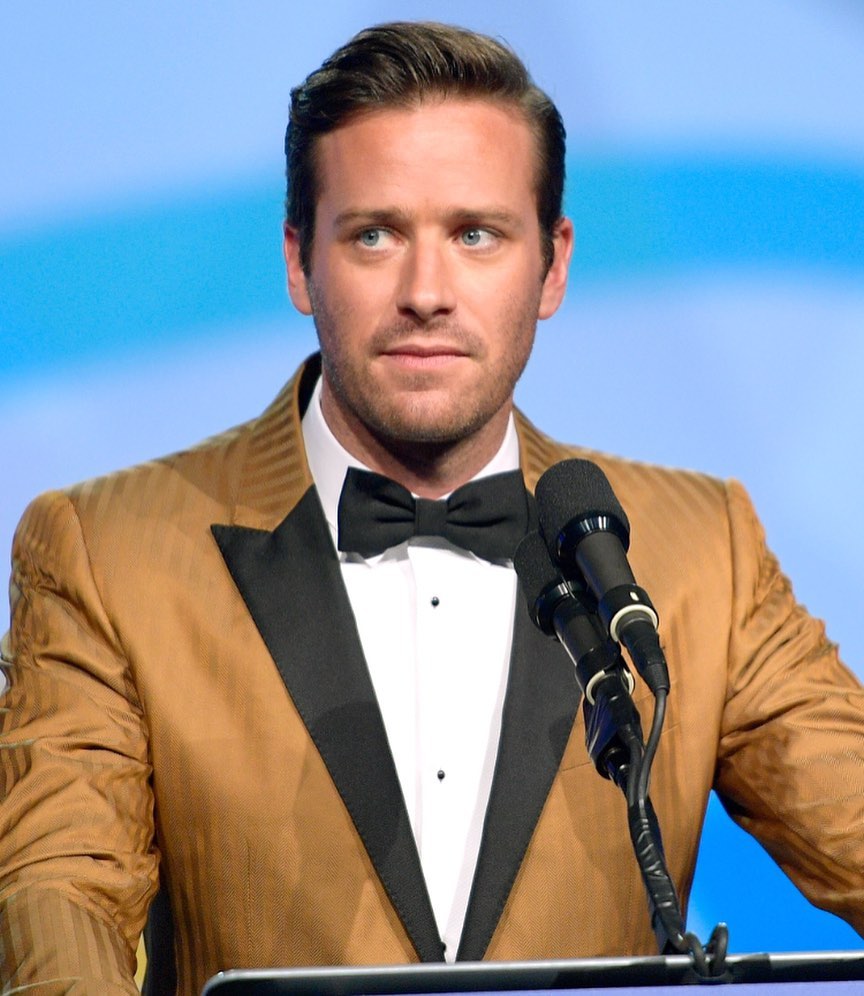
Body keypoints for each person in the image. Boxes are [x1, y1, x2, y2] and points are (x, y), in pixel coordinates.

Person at [1, 20, 863, 995]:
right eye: (375, 234)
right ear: (299, 260)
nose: (425, 292)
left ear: (553, 265)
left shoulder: (703, 548)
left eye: (474, 235)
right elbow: (58, 901)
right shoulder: (107, 551)